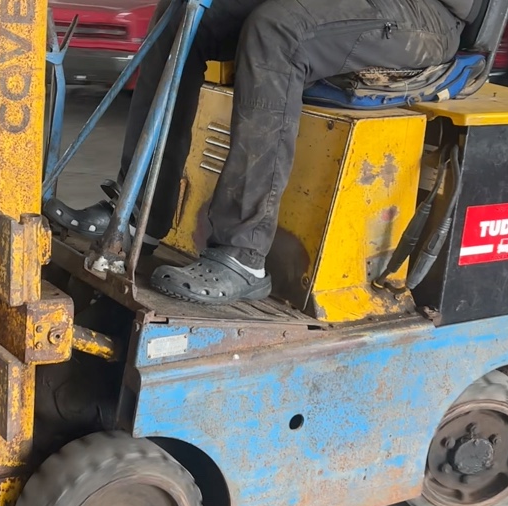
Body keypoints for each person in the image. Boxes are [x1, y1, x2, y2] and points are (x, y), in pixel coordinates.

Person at [73, 0, 474, 305]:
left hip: (423, 15)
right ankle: (138, 215)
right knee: (183, 13)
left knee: (279, 31)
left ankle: (244, 253)